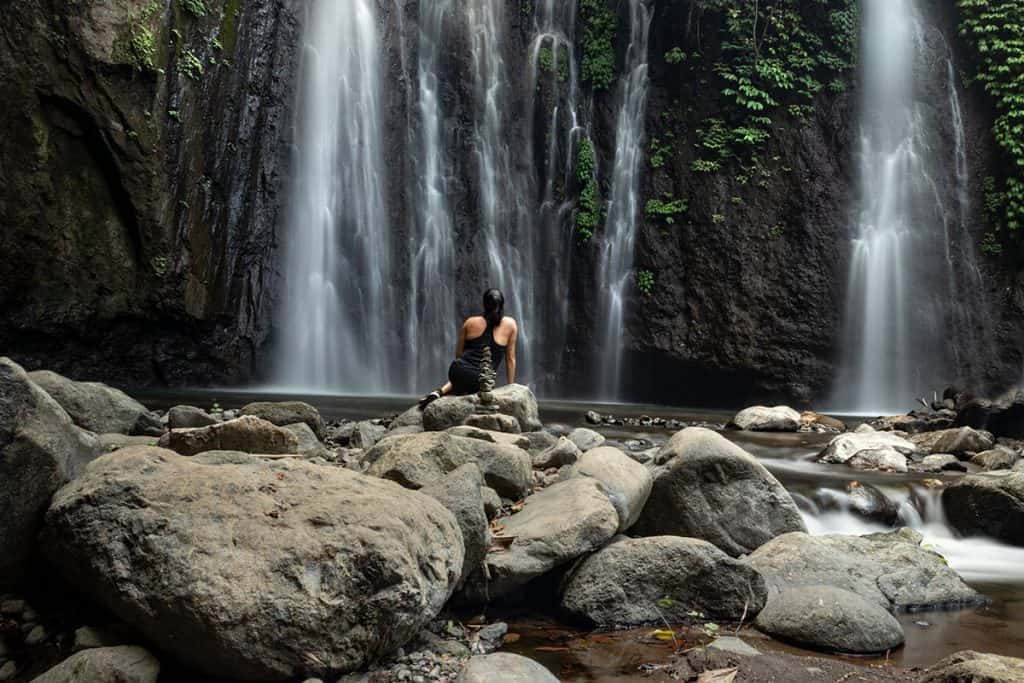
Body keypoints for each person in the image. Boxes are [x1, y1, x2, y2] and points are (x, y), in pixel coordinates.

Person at [419, 288, 518, 408]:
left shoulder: (470, 322)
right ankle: (448, 391)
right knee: (475, 380)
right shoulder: (510, 325)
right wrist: (511, 387)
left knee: (463, 377)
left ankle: (439, 392)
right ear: (501, 305)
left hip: (457, 371)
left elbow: (459, 354)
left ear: (484, 304)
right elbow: (510, 359)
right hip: (481, 380)